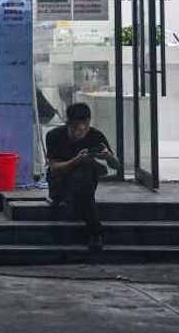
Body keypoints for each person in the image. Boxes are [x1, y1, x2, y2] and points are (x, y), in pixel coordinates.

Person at [45, 102, 120, 250]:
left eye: (85, 128)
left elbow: (116, 166)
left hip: (83, 186)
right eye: (76, 129)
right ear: (68, 124)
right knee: (83, 170)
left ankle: (75, 205)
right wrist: (75, 160)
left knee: (87, 169)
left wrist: (108, 156)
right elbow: (54, 168)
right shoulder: (54, 136)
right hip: (60, 185)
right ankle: (96, 233)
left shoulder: (96, 136)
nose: (81, 132)